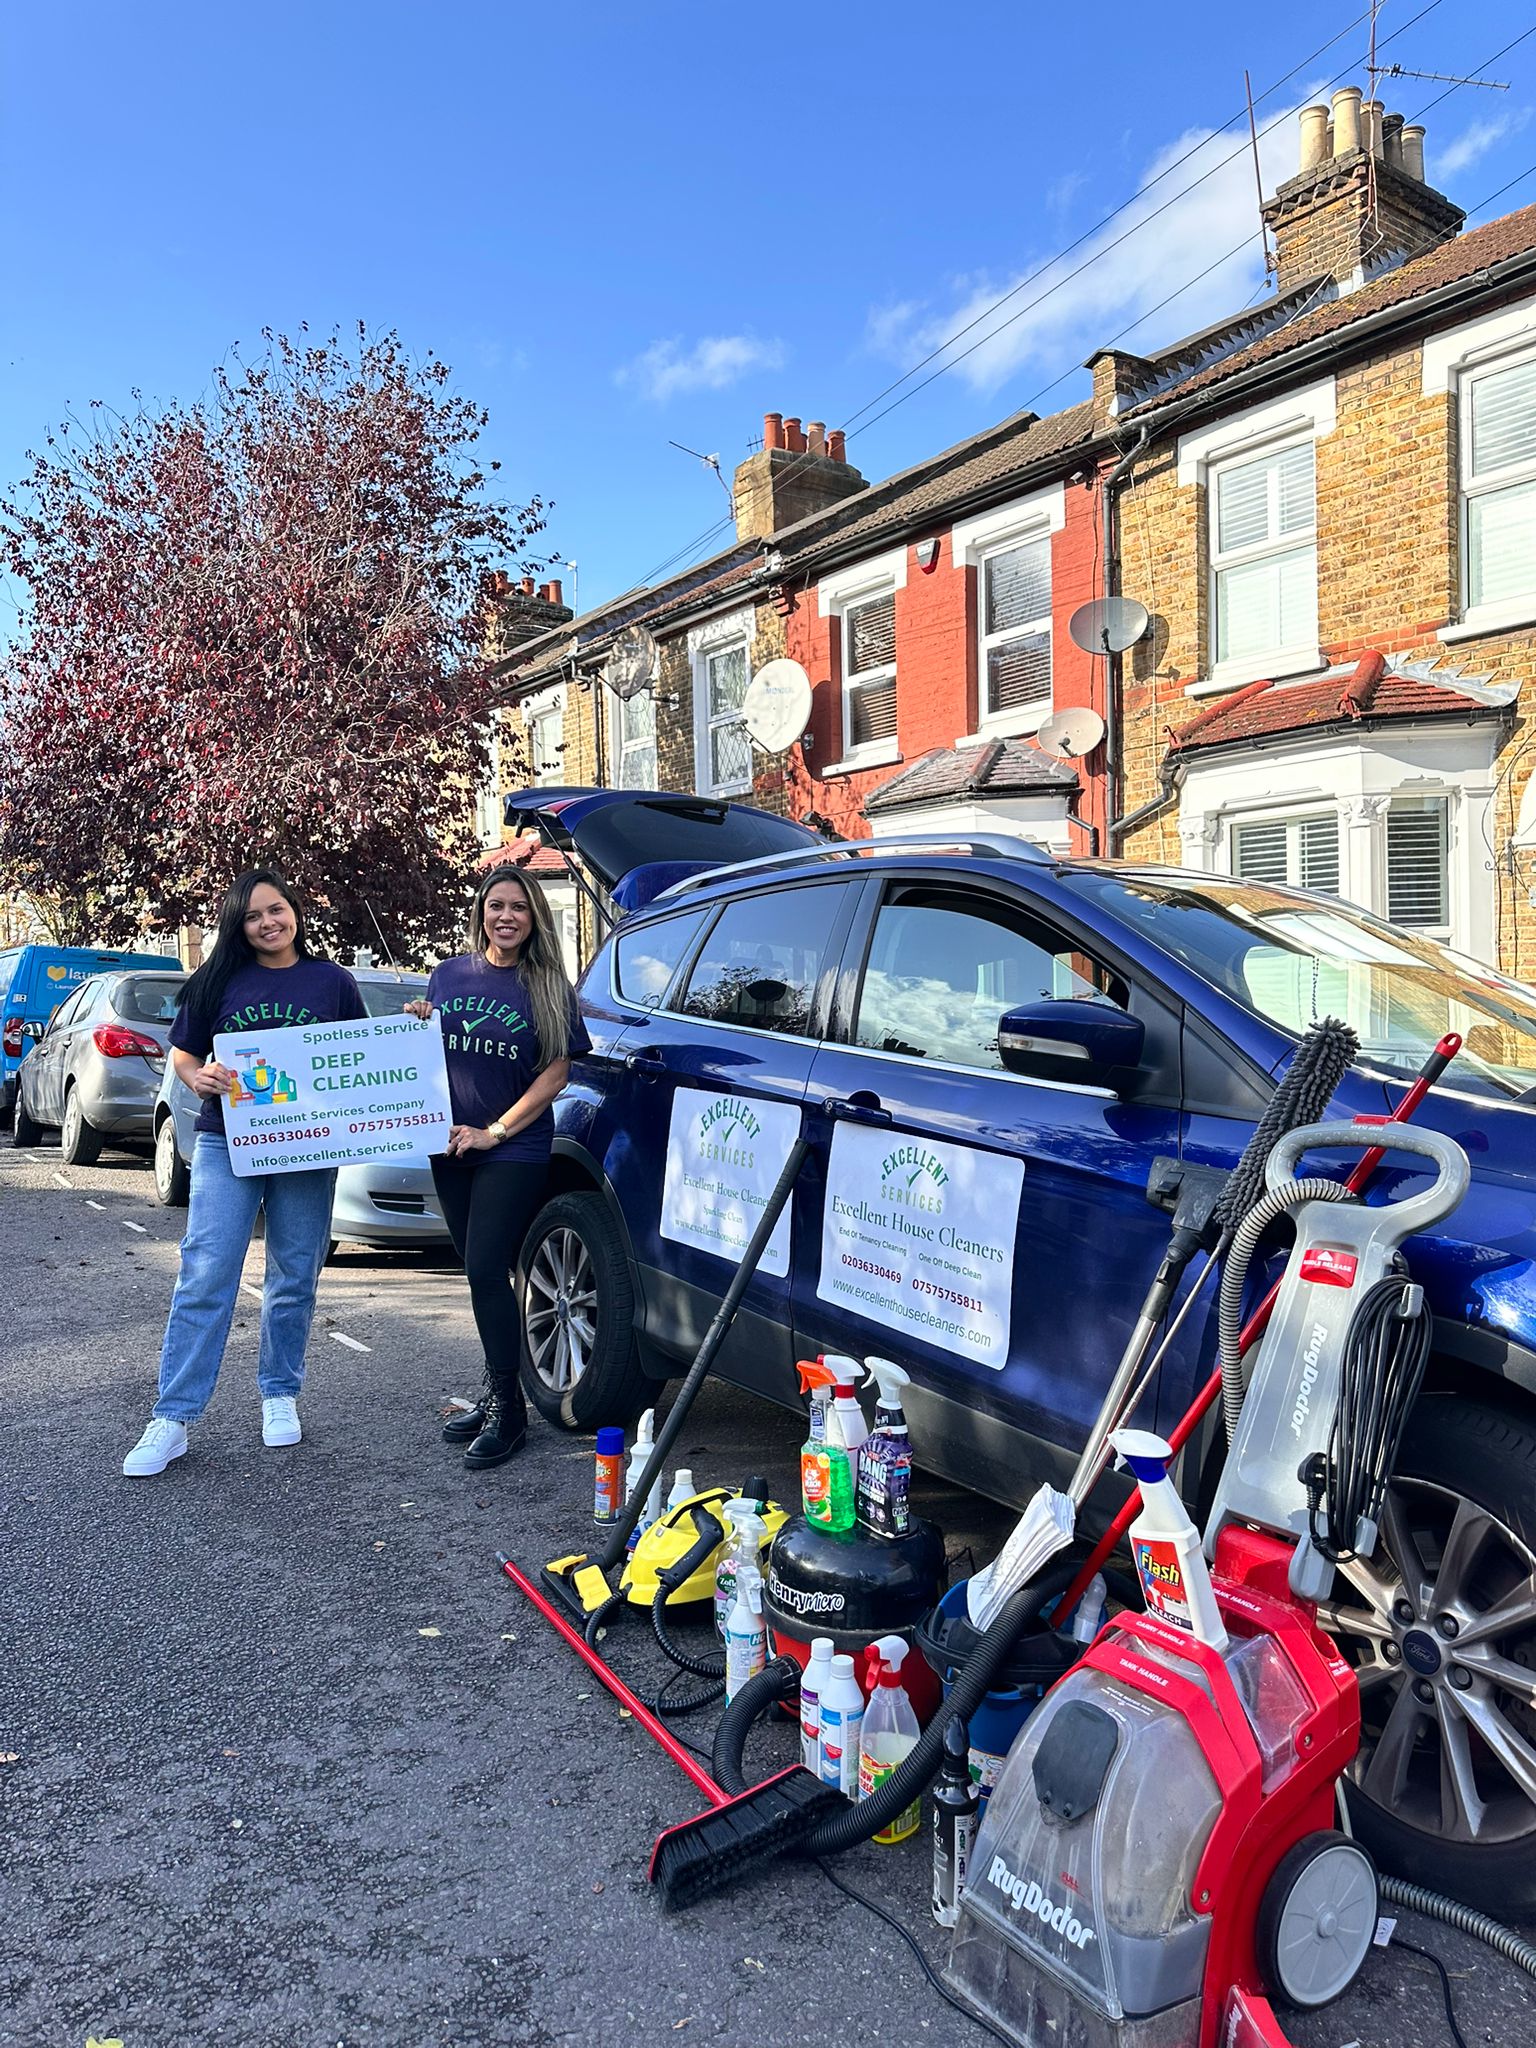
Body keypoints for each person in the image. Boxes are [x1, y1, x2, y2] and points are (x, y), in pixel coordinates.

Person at [122, 871, 366, 1476]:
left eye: (276, 909)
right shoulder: (217, 979)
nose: (267, 923)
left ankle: (279, 1394)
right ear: (240, 925)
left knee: (294, 1273)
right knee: (206, 1272)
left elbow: (366, 1052)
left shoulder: (333, 981)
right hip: (227, 1142)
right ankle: (172, 1417)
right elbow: (185, 1052)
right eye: (253, 916)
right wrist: (194, 1075)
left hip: (307, 1148)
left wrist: (412, 1023)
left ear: (296, 912)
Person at [406, 865, 590, 1471]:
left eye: (518, 907)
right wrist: (413, 1023)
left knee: (487, 1266)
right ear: (481, 912)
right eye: (495, 906)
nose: (505, 916)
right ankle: (496, 1391)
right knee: (480, 1271)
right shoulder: (449, 975)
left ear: (534, 917)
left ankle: (510, 1412)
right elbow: (429, 1057)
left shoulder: (548, 986)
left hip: (512, 1147)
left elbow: (555, 1074)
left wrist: (495, 1132)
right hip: (450, 1144)